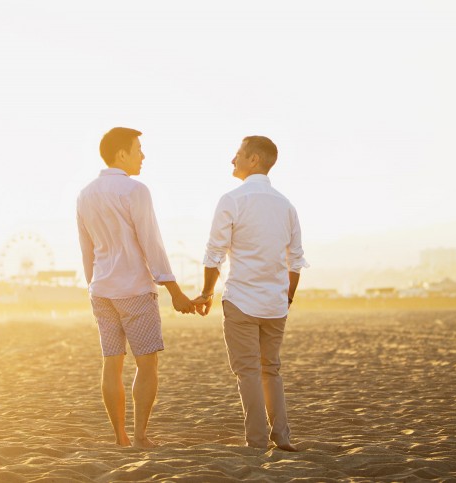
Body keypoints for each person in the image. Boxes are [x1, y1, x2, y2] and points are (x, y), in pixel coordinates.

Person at [77, 126, 196, 448]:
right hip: (134, 290)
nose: (143, 155)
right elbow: (151, 243)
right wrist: (175, 291)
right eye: (138, 149)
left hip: (101, 290)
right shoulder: (135, 190)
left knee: (112, 363)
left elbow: (86, 249)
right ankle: (141, 435)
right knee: (147, 364)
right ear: (121, 154)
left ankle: (120, 437)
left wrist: (94, 283)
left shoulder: (85, 193)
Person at [192, 135, 307, 451]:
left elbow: (214, 252)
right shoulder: (286, 205)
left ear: (254, 159)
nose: (233, 160)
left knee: (248, 373)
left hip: (241, 300)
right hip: (275, 305)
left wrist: (206, 292)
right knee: (271, 370)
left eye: (238, 154)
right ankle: (281, 436)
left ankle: (257, 441)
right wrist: (287, 297)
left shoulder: (232, 200)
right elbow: (295, 259)